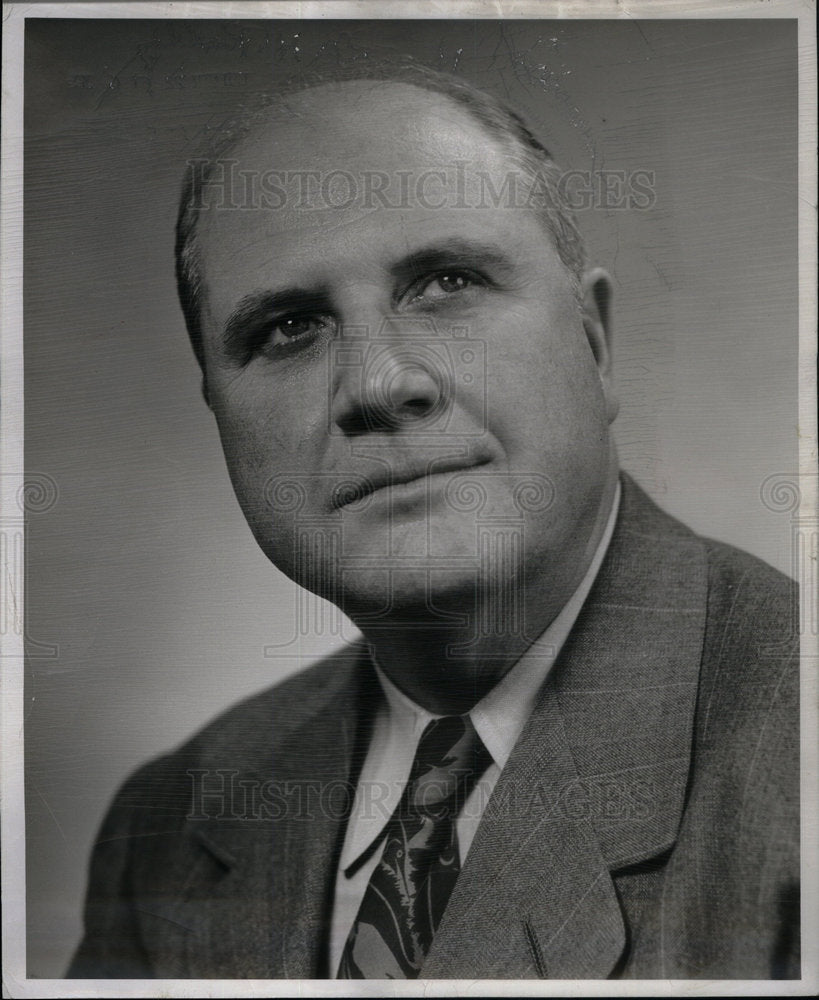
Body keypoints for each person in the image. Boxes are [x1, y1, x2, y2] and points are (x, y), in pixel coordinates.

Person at [68, 62, 799, 981]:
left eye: (446, 282)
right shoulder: (168, 823)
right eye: (289, 328)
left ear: (594, 341)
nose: (378, 384)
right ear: (218, 410)